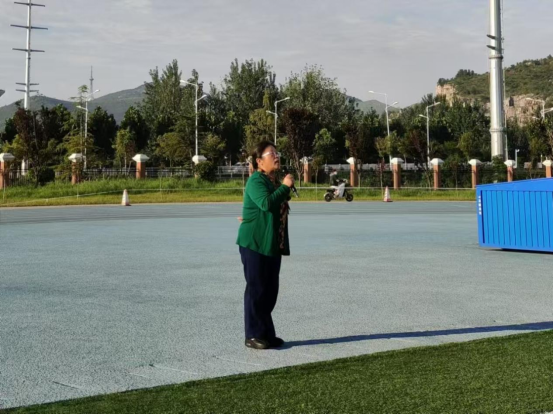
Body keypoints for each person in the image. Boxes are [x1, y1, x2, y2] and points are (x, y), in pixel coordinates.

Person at [236, 141, 295, 350]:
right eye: (271, 154)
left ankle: (266, 333)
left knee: (270, 291)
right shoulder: (255, 181)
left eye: (277, 153)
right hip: (254, 243)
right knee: (256, 289)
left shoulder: (272, 182)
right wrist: (285, 187)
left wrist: (284, 188)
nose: (276, 156)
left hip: (271, 243)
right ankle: (253, 334)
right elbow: (266, 203)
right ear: (259, 162)